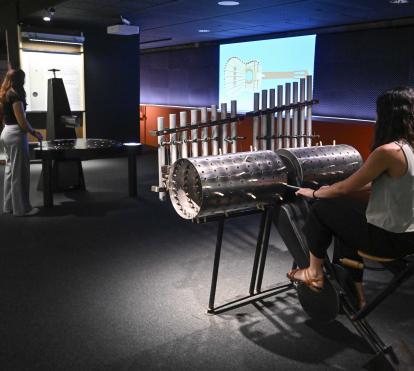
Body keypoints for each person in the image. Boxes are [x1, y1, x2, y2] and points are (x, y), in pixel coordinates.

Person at [287, 86, 414, 308]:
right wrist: (336, 189)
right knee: (345, 221)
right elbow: (371, 183)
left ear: (387, 115)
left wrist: (316, 192)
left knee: (322, 208)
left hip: (388, 241)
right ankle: (357, 295)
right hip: (409, 238)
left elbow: (343, 189)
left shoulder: (388, 151)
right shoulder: (409, 148)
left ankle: (314, 272)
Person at [0, 68, 43, 216]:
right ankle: (21, 209)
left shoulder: (7, 93)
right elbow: (22, 122)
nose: (24, 81)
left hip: (7, 133)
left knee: (10, 172)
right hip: (16, 136)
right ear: (20, 80)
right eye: (23, 78)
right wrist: (34, 132)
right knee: (20, 173)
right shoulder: (15, 96)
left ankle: (9, 206)